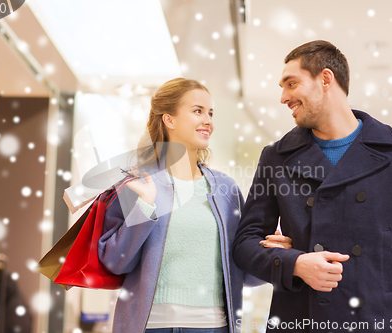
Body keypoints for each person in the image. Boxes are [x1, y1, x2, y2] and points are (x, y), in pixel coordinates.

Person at [233, 40, 392, 332]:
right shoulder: (276, 156)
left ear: (325, 79)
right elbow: (244, 244)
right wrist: (294, 263)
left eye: (291, 83)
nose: (283, 97)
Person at [98, 78, 291, 333]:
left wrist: (271, 254)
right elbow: (115, 262)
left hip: (213, 327)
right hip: (151, 327)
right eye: (197, 111)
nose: (208, 121)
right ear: (169, 119)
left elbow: (242, 271)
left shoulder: (226, 189)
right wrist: (144, 207)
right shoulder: (137, 183)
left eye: (210, 113)